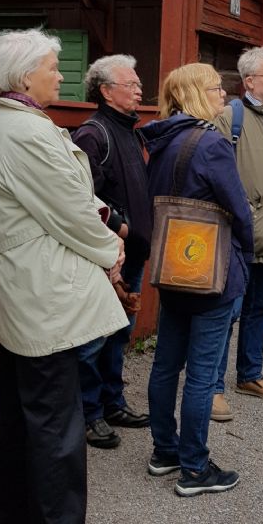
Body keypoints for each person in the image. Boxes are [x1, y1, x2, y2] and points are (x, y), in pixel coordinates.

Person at [0, 29, 126, 524]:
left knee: (18, 408)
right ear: (23, 75)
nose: (61, 74)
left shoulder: (12, 124)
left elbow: (71, 195)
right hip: (40, 293)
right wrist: (113, 249)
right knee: (57, 421)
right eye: (53, 66)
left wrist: (104, 221)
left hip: (23, 292)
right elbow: (67, 209)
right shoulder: (26, 133)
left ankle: (10, 518)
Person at [141, 63, 254, 496]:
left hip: (173, 266)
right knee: (203, 375)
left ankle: (164, 451)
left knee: (166, 363)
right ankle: (194, 468)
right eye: (215, 88)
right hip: (212, 271)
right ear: (194, 94)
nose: (222, 95)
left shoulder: (161, 140)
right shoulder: (211, 144)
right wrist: (247, 248)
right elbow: (239, 209)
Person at [72, 54, 152, 449]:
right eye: (131, 84)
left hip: (131, 254)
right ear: (105, 91)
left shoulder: (131, 131)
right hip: (106, 258)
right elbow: (82, 198)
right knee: (93, 340)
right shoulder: (92, 134)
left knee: (119, 333)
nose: (139, 90)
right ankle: (88, 415)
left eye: (138, 84)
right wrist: (120, 226)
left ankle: (113, 402)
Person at [211, 47, 263, 421]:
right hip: (239, 236)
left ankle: (250, 375)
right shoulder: (229, 117)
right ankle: (211, 387)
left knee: (260, 308)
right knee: (226, 313)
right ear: (248, 82)